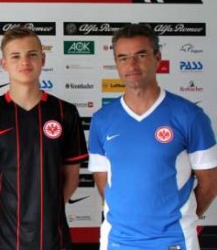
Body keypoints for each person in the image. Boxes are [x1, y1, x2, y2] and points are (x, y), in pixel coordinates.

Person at [88, 24, 217, 250]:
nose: (132, 65)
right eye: (123, 58)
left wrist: (180, 219)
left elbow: (210, 183)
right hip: (117, 241)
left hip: (174, 241)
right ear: (116, 64)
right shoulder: (102, 120)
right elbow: (104, 182)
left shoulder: (190, 116)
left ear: (157, 57)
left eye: (141, 55)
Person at [0, 27, 88, 249]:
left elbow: (71, 176)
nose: (25, 61)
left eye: (32, 54)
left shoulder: (64, 112)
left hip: (51, 236)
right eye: (16, 56)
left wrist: (47, 209)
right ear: (4, 64)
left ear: (42, 59)